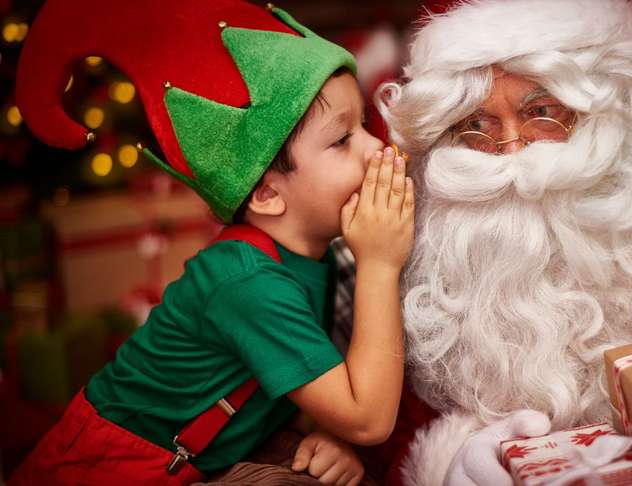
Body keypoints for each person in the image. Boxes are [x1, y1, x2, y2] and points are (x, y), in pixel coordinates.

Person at [10, 1, 414, 485]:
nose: (375, 148)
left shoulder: (315, 254)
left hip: (210, 453)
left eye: (365, 126)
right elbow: (369, 418)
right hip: (112, 469)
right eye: (341, 140)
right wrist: (380, 263)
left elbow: (298, 384)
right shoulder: (248, 282)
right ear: (266, 193)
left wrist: (328, 435)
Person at [374, 0, 632, 483]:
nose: (513, 152)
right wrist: (442, 458)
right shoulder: (419, 263)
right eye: (477, 126)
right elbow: (386, 442)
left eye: (542, 112)